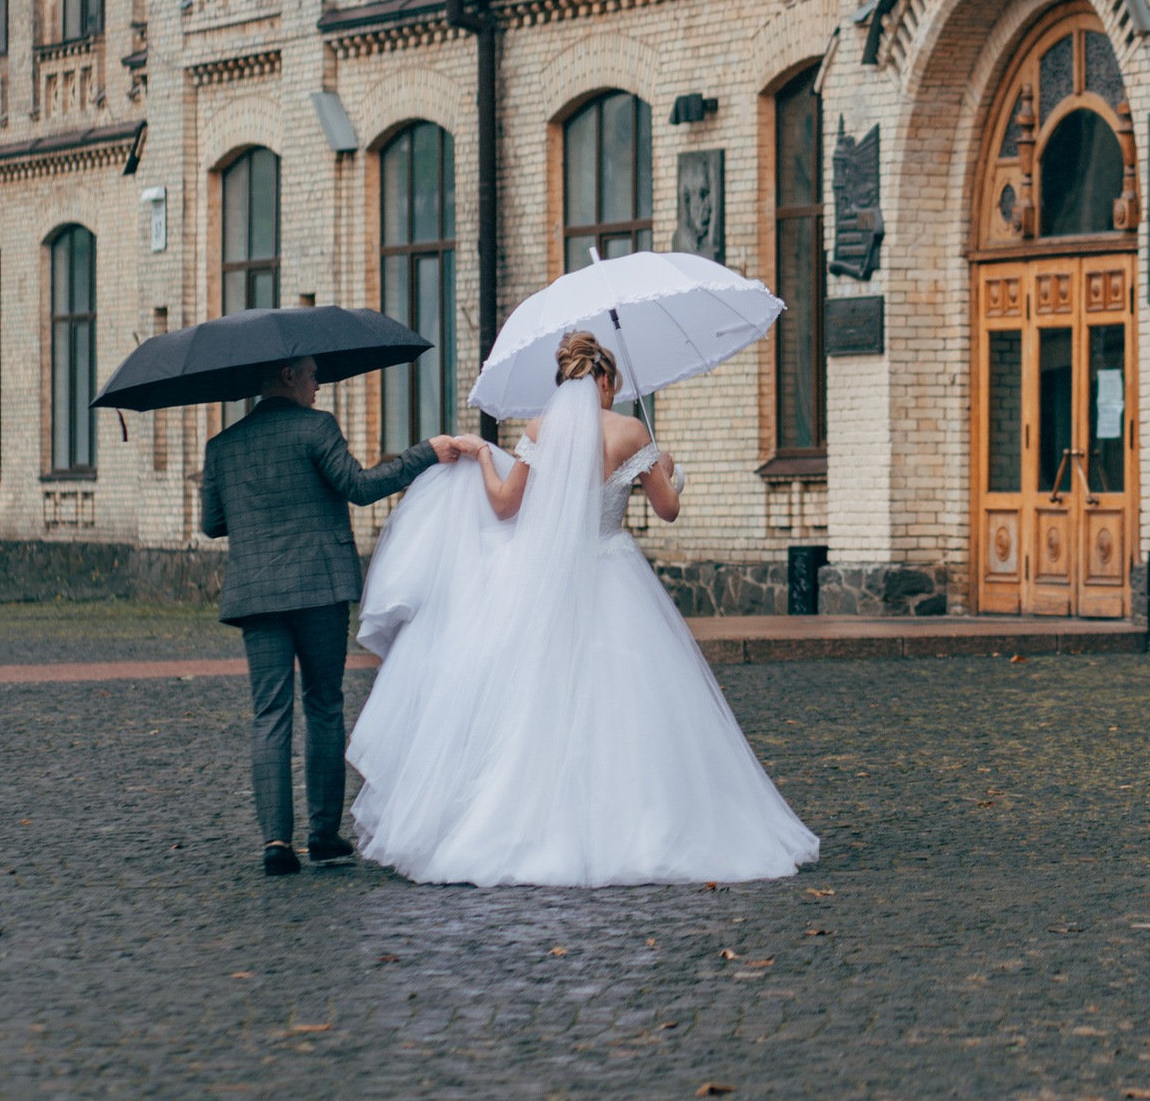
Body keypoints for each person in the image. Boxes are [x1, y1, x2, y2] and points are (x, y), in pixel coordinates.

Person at [347, 331, 819, 887]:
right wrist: (668, 468)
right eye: (613, 384)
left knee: (534, 699)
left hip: (544, 576)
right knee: (631, 702)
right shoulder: (631, 432)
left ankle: (515, 825)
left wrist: (480, 456)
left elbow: (503, 508)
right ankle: (639, 822)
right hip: (612, 571)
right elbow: (666, 510)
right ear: (605, 380)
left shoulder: (541, 430)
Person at [198, 355, 460, 876]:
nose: (319, 384)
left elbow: (212, 523)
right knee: (323, 704)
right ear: (289, 377)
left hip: (255, 594)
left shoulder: (222, 445)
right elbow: (359, 488)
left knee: (269, 712)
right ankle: (322, 834)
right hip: (318, 588)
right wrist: (424, 454)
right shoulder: (316, 428)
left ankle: (276, 842)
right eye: (313, 374)